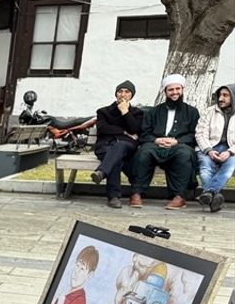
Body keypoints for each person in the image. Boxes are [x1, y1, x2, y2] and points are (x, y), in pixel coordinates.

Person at [128, 74, 200, 210]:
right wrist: (156, 139)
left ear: (182, 90)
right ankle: (136, 193)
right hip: (155, 145)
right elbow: (144, 134)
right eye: (171, 90)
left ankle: (179, 197)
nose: (175, 92)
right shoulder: (153, 112)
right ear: (165, 92)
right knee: (144, 152)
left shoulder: (192, 112)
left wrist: (176, 141)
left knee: (184, 154)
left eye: (177, 89)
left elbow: (194, 135)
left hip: (178, 146)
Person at [91, 80, 144, 209]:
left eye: (127, 92)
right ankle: (113, 197)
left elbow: (136, 128)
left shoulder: (137, 113)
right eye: (120, 91)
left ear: (132, 95)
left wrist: (125, 112)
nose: (123, 94)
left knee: (119, 148)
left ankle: (102, 173)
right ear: (116, 94)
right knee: (116, 158)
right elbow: (103, 128)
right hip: (105, 146)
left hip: (127, 148)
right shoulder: (103, 111)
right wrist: (124, 132)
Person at [195, 83, 234, 213]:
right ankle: (214, 197)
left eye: (225, 95)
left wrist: (230, 152)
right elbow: (200, 133)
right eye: (220, 95)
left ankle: (208, 193)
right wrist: (209, 150)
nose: (221, 98)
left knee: (230, 167)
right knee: (205, 165)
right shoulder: (209, 111)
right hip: (209, 146)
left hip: (231, 149)